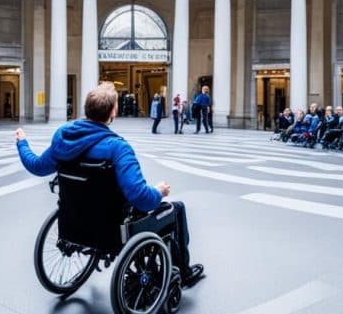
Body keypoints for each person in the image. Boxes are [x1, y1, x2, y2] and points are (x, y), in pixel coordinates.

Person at [15, 82, 204, 286]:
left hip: (74, 219)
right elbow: (140, 197)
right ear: (113, 112)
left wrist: (22, 142)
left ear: (87, 109)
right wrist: (160, 191)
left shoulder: (63, 139)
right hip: (111, 226)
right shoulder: (117, 148)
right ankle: (184, 271)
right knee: (176, 209)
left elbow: (36, 166)